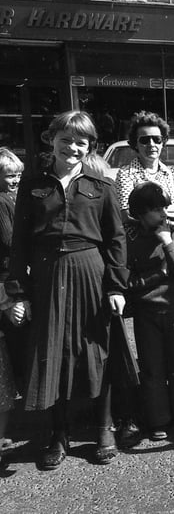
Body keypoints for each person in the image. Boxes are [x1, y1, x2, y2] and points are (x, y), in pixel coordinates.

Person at [8, 111, 126, 468]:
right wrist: (18, 293)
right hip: (47, 276)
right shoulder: (32, 187)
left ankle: (105, 428)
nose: (72, 147)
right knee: (53, 353)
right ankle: (58, 435)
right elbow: (19, 246)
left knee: (97, 349)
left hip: (90, 272)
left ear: (89, 146)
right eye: (66, 138)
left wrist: (117, 287)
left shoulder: (100, 187)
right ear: (52, 138)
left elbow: (116, 240)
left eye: (81, 141)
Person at [125, 182, 174, 441]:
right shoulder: (130, 238)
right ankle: (157, 419)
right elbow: (127, 280)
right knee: (152, 367)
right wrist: (157, 274)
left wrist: (167, 241)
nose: (163, 213)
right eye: (155, 209)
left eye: (164, 207)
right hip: (146, 312)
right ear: (140, 212)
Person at [114, 111, 174, 224]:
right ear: (135, 143)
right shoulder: (125, 174)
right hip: (143, 239)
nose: (151, 144)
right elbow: (127, 213)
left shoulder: (173, 173)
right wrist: (172, 212)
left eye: (157, 139)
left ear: (163, 142)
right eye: (144, 140)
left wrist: (149, 211)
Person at [0, 147, 22, 463]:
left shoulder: (14, 199)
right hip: (7, 287)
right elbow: (10, 243)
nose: (15, 180)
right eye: (8, 176)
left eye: (18, 175)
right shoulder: (3, 202)